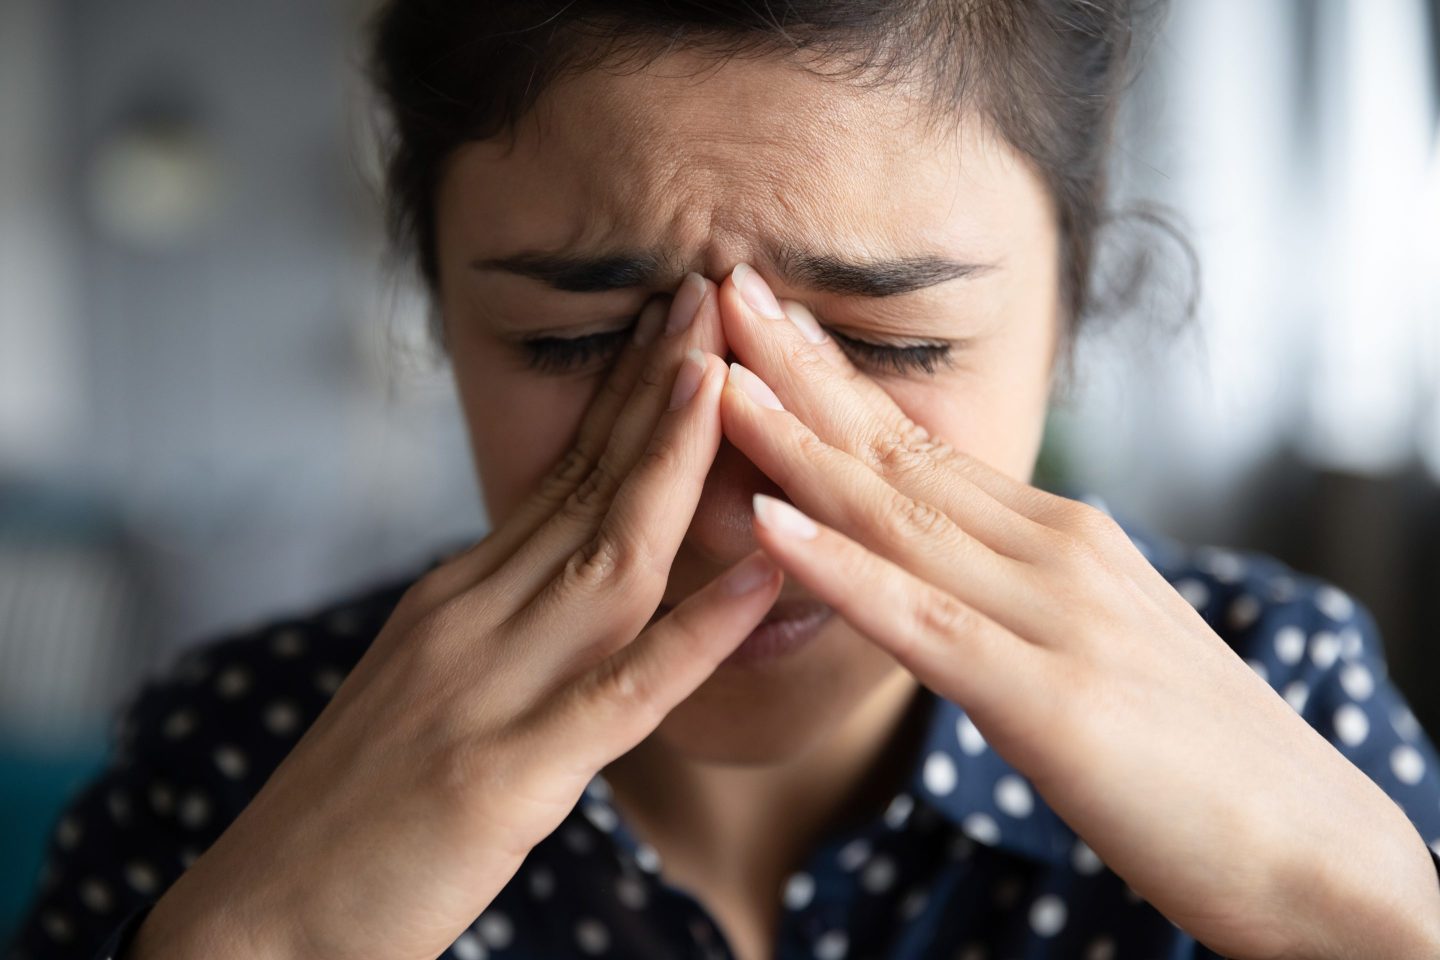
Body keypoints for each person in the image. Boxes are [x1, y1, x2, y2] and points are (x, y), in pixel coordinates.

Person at [8, 1, 1440, 958]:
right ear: (440, 312)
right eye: (575, 343)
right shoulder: (232, 765)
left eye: (889, 344)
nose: (735, 490)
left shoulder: (1284, 693)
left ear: (1069, 309)